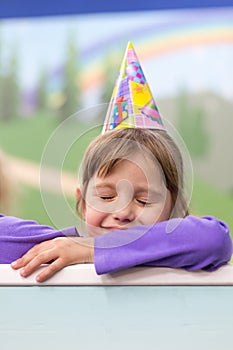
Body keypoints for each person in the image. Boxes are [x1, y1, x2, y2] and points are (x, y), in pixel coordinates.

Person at [1, 41, 232, 282]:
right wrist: (77, 246)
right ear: (82, 202)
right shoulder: (59, 247)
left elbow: (215, 239)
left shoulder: (186, 248)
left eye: (144, 200)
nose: (122, 212)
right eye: (106, 197)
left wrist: (93, 250)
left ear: (176, 208)